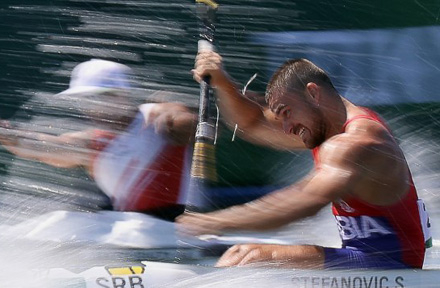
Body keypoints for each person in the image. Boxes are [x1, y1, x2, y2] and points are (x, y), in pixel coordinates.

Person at [177, 50, 432, 269]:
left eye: (287, 113)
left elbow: (303, 202)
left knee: (251, 256)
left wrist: (213, 222)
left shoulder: (359, 142)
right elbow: (252, 122)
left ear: (313, 93)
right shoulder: (326, 127)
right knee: (245, 255)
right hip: (362, 260)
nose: (287, 128)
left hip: (390, 268)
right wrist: (222, 81)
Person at [0, 59, 197, 220]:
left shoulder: (157, 115)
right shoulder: (91, 143)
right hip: (134, 233)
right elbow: (42, 147)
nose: (89, 108)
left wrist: (180, 120)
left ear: (122, 95)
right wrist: (8, 135)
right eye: (83, 100)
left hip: (182, 225)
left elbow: (186, 121)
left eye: (96, 98)